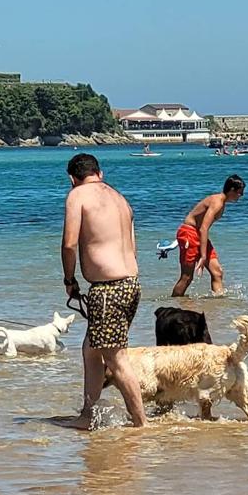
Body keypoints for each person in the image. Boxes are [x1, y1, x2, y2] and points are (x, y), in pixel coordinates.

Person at [58, 153, 146, 429]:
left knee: (114, 357)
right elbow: (132, 247)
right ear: (100, 173)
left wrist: (69, 278)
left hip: (108, 289)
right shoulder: (121, 200)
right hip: (131, 283)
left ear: (73, 178)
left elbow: (69, 243)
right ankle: (88, 414)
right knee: (91, 350)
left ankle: (141, 423)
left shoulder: (78, 196)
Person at [171, 174, 246, 297]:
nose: (241, 196)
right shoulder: (217, 203)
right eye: (240, 193)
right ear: (232, 190)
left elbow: (202, 229)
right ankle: (173, 306)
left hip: (198, 235)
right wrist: (204, 256)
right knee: (187, 277)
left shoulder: (221, 202)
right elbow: (204, 227)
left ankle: (217, 307)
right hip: (189, 233)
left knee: (217, 272)